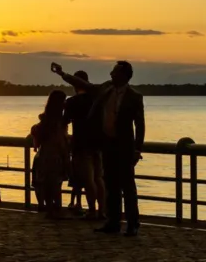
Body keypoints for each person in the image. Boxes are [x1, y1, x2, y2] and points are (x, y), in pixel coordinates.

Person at [51, 61, 145, 237]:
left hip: (124, 148)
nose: (111, 74)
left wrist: (137, 149)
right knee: (111, 186)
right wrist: (63, 74)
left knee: (128, 188)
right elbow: (84, 85)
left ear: (124, 75)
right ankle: (113, 222)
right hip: (107, 146)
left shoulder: (134, 97)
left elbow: (140, 125)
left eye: (115, 71)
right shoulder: (106, 90)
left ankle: (133, 224)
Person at [64, 70, 104, 220]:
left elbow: (65, 120)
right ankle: (102, 210)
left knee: (88, 179)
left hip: (81, 144)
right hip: (98, 143)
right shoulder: (97, 99)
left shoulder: (72, 102)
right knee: (98, 178)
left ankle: (92, 210)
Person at [33, 90, 69, 219]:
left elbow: (37, 132)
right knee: (56, 184)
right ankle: (56, 209)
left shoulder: (44, 120)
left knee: (48, 184)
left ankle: (50, 209)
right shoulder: (59, 122)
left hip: (44, 155)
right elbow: (60, 141)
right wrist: (66, 157)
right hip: (56, 156)